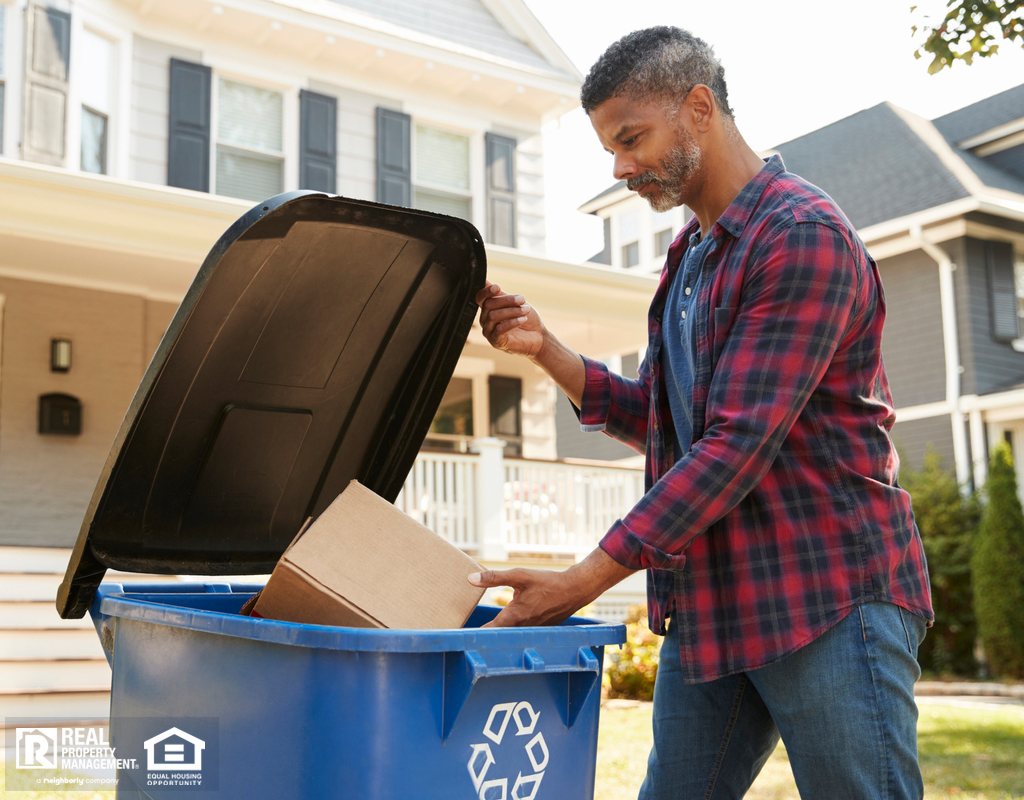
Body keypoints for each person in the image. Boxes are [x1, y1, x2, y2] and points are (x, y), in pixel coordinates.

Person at [470, 26, 934, 800]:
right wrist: (547, 350)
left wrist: (584, 580)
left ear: (697, 108)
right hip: (717, 601)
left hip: (827, 594)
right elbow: (665, 421)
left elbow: (735, 445)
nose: (619, 168)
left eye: (631, 139)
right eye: (609, 150)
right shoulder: (690, 258)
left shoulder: (800, 236)